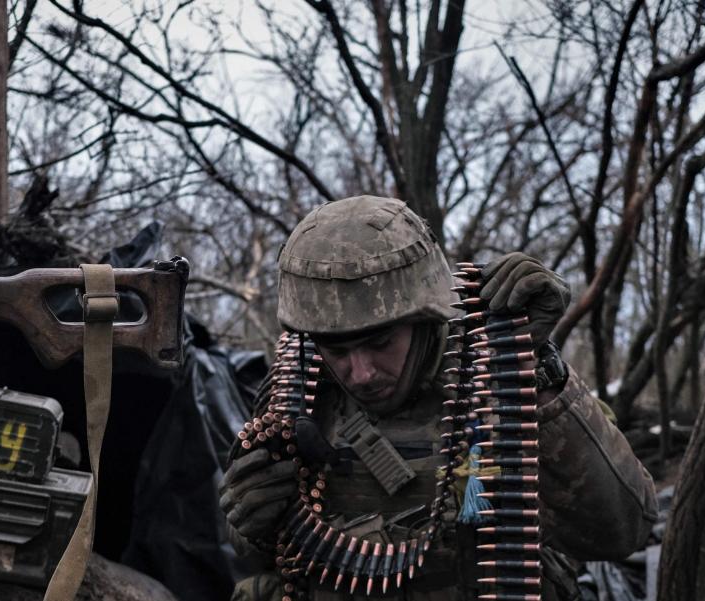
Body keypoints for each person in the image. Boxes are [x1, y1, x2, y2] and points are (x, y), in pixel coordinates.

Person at [220, 195, 658, 600]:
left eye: (381, 342)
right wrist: (253, 521)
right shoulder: (297, 388)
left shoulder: (495, 370)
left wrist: (535, 368)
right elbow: (273, 552)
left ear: (426, 316)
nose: (362, 373)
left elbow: (621, 531)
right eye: (337, 349)